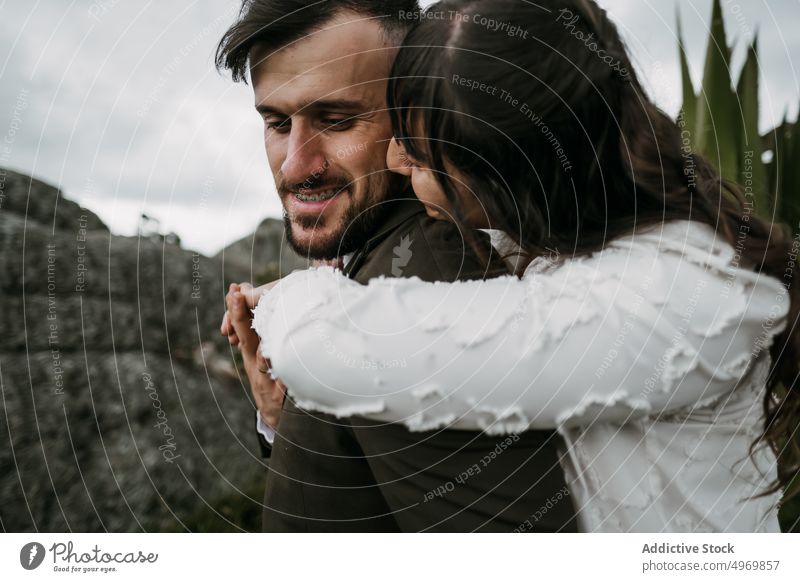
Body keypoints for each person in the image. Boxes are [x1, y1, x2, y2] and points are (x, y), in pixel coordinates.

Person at [252, 0, 800, 532]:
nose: (397, 161)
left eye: (418, 155)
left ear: (507, 179)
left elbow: (328, 346)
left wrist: (281, 306)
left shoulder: (661, 298)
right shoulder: (551, 248)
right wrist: (284, 418)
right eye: (276, 122)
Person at [217, 0, 577, 532]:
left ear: (417, 108)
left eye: (337, 121)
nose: (295, 163)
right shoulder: (379, 264)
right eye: (276, 122)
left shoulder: (435, 276)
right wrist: (282, 416)